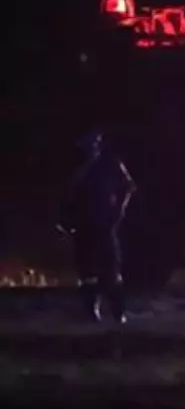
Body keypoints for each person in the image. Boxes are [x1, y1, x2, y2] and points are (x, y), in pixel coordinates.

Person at [57, 128, 137, 323]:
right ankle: (91, 312)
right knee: (87, 271)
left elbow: (127, 187)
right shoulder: (76, 166)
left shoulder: (109, 164)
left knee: (111, 268)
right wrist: (65, 220)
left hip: (104, 223)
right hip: (82, 224)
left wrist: (118, 211)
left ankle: (118, 312)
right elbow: (66, 194)